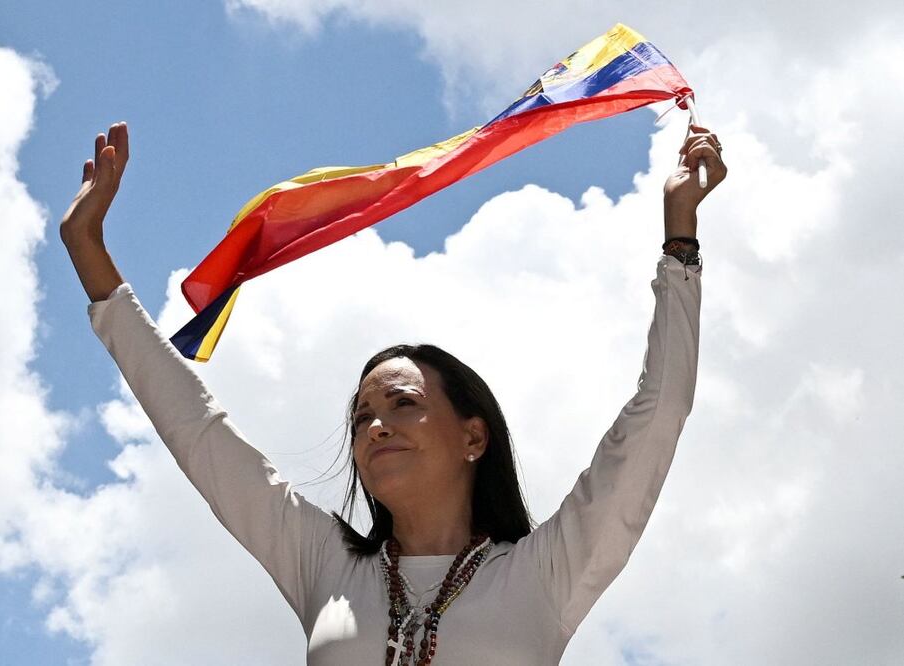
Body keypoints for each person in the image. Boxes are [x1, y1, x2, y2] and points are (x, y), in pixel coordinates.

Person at [60, 120, 726, 665]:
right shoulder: (323, 563)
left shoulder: (545, 572)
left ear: (473, 435)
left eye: (403, 404)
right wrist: (89, 252)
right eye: (361, 419)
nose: (375, 427)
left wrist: (679, 242)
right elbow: (198, 432)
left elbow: (658, 411)